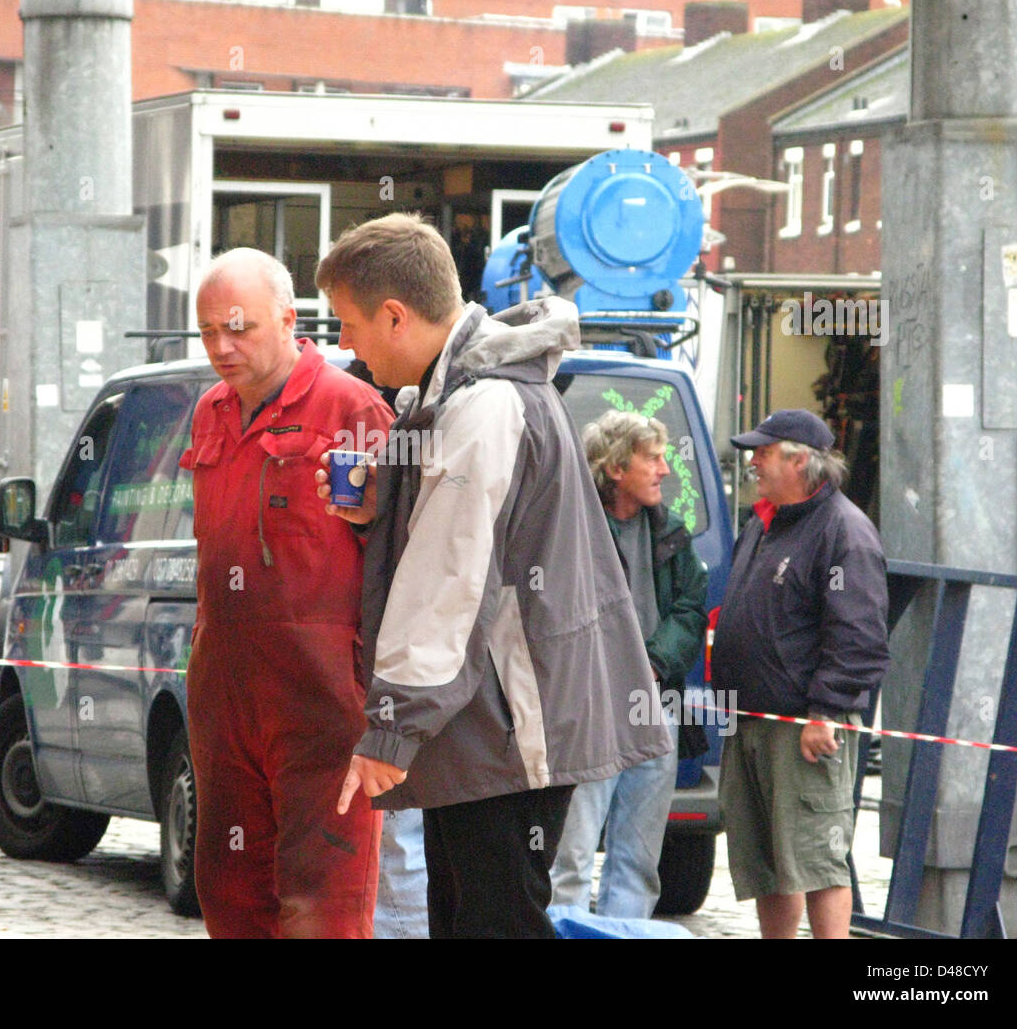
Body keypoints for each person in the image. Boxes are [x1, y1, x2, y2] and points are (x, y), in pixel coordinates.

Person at [316, 213, 670, 939]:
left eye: (348, 323)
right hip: (494, 719)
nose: (344, 344)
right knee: (470, 920)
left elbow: (451, 582)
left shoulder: (483, 404)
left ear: (394, 314)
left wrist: (391, 726)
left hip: (509, 719)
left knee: (493, 922)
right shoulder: (466, 395)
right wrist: (383, 504)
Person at [179, 248, 394, 938]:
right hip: (225, 700)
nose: (221, 346)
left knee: (321, 908)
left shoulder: (351, 407)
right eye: (208, 330)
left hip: (323, 708)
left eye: (237, 327)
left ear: (288, 319)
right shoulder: (210, 411)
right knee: (229, 895)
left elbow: (396, 564)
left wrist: (386, 708)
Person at [711, 408, 888, 939]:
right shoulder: (764, 521)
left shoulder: (843, 530)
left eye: (763, 453)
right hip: (751, 720)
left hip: (802, 728)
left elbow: (858, 635)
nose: (753, 463)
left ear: (800, 461)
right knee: (768, 862)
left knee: (816, 859)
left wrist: (826, 711)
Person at [550, 410, 708, 918]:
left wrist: (654, 666)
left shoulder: (672, 531)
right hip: (589, 709)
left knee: (639, 857)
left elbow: (690, 610)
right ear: (617, 467)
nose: (665, 470)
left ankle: (625, 932)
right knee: (570, 854)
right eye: (653, 458)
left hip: (654, 707)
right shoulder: (573, 527)